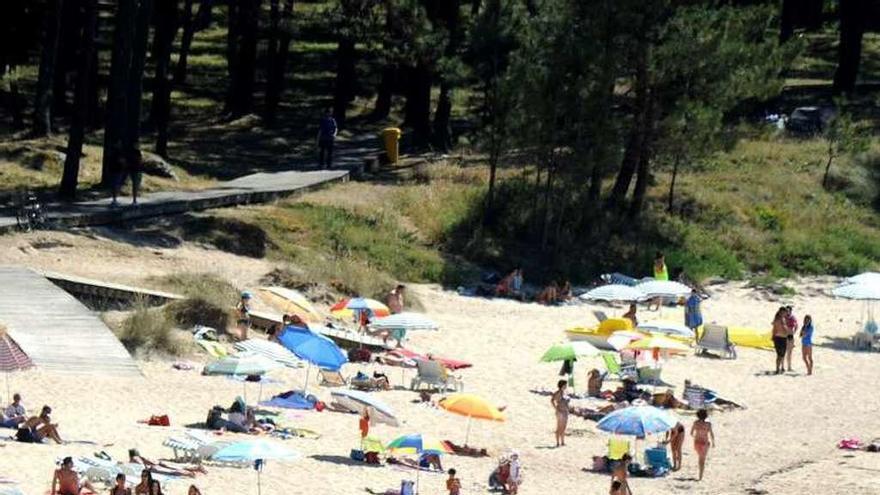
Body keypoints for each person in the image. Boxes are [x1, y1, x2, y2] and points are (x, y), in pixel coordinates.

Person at [691, 409, 715, 481]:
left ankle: (700, 475)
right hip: (704, 443)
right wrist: (713, 442)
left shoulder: (695, 423)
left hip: (697, 442)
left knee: (700, 459)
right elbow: (711, 434)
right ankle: (700, 476)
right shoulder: (708, 424)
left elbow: (691, 433)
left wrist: (696, 436)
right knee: (702, 460)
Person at [550, 380, 569, 447]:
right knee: (559, 427)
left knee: (563, 427)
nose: (566, 386)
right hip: (560, 411)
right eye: (565, 385)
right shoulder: (558, 393)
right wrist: (555, 408)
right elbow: (552, 400)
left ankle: (562, 442)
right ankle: (558, 442)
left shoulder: (565, 393)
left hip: (565, 411)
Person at [771, 307, 788, 374]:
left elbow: (774, 329)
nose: (786, 313)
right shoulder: (782, 319)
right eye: (785, 312)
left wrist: (773, 336)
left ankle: (778, 368)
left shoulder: (776, 319)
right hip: (782, 338)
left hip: (777, 338)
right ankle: (778, 368)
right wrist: (788, 331)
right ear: (782, 312)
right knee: (781, 354)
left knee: (779, 355)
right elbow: (784, 329)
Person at [784, 305, 798, 372]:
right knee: (783, 352)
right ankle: (783, 367)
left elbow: (796, 325)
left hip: (790, 336)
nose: (787, 312)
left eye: (788, 311)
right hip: (784, 336)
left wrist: (794, 331)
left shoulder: (793, 318)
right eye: (786, 311)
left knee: (789, 353)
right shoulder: (783, 318)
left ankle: (789, 367)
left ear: (790, 311)